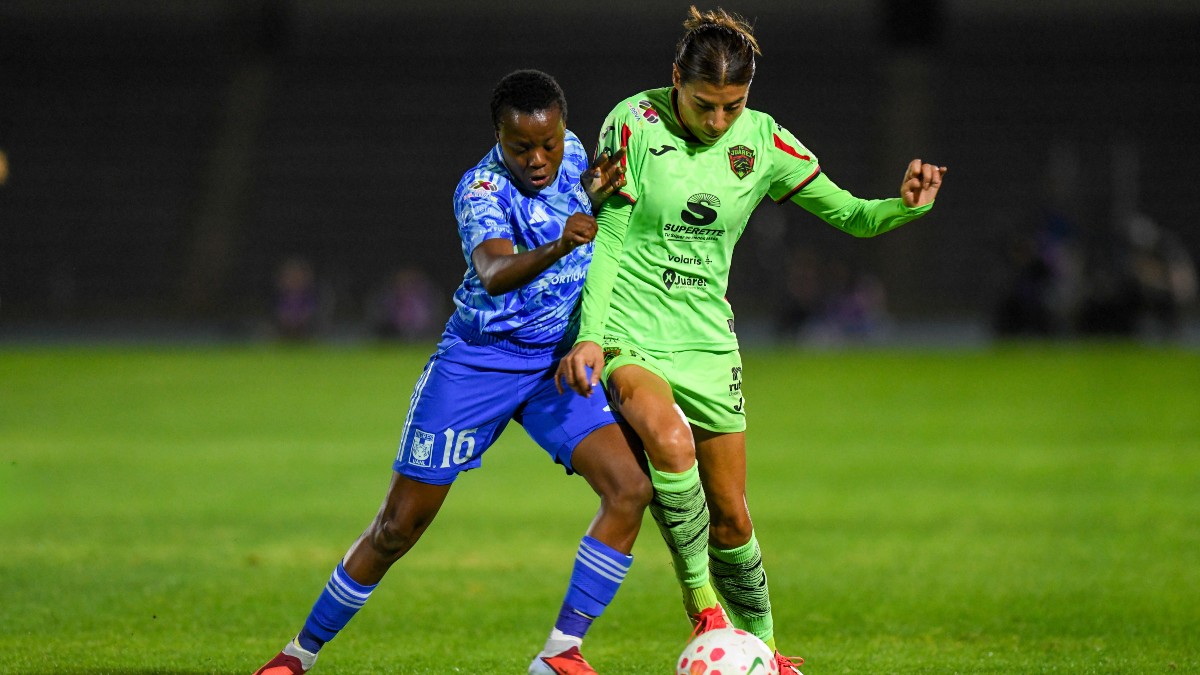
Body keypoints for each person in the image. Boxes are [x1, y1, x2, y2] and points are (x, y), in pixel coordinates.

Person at [555, 8, 947, 674]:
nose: (717, 121)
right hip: (630, 328)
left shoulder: (762, 141)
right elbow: (612, 236)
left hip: (707, 339)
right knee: (667, 440)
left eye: (732, 106)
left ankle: (763, 649)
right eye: (705, 104)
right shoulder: (633, 123)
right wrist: (592, 338)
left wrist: (903, 206)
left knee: (732, 516)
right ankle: (703, 603)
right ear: (675, 78)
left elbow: (850, 212)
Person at [254, 69, 646, 675]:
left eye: (549, 142)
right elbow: (493, 272)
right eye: (522, 147)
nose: (539, 158)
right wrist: (563, 245)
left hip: (552, 366)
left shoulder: (574, 157)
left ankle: (561, 653)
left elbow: (582, 206)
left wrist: (593, 198)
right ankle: (296, 656)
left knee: (630, 489)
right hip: (478, 363)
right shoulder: (480, 189)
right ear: (498, 137)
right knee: (397, 527)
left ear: (563, 127)